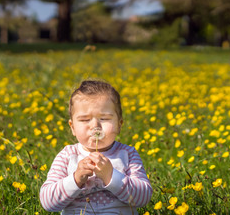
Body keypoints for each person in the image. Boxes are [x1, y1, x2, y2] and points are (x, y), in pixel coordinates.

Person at [40, 80, 152, 214]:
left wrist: (111, 177)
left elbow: (143, 198)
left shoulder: (127, 154)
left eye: (104, 118)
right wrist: (75, 179)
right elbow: (48, 202)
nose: (95, 126)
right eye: (84, 120)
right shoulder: (67, 155)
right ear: (72, 127)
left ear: (119, 125)